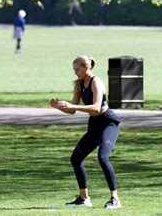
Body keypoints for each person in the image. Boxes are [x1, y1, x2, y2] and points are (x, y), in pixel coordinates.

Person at [49, 55, 122, 209]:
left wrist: (73, 106)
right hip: (94, 124)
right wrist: (60, 107)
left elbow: (96, 108)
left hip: (108, 123)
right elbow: (72, 110)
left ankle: (115, 199)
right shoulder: (79, 84)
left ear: (86, 67)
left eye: (77, 69)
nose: (75, 72)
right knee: (75, 159)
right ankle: (84, 198)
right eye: (74, 70)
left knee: (103, 158)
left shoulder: (97, 81)